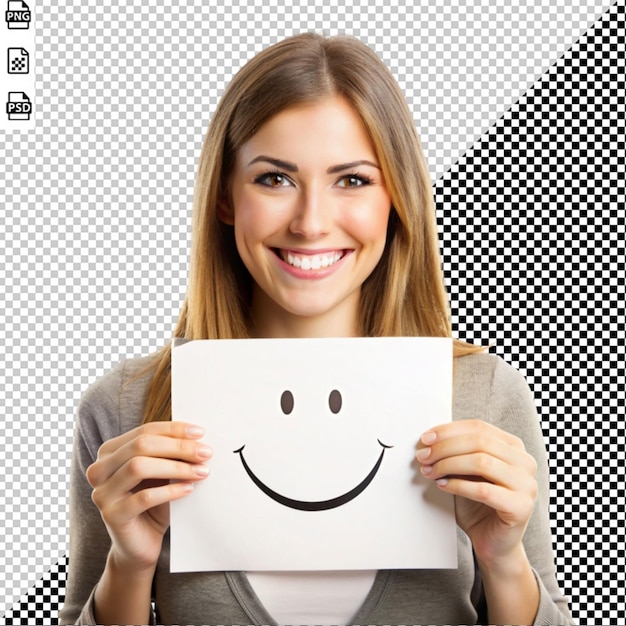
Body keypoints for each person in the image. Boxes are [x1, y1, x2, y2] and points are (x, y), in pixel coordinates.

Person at [59, 32, 573, 625]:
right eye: (274, 179)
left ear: (395, 198)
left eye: (352, 180)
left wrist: (503, 560)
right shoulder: (124, 409)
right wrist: (129, 562)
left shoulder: (484, 396)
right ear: (226, 195)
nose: (310, 222)